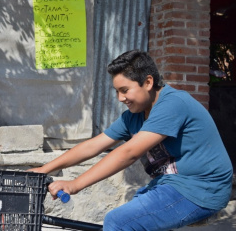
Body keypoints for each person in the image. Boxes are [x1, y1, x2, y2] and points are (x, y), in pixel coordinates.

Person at [30, 50, 233, 230]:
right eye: (117, 92)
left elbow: (129, 153)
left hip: (201, 189)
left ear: (148, 82)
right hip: (170, 185)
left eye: (125, 90)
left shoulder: (173, 104)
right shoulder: (134, 115)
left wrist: (74, 185)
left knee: (119, 222)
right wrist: (44, 169)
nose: (120, 98)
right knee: (134, 214)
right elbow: (94, 145)